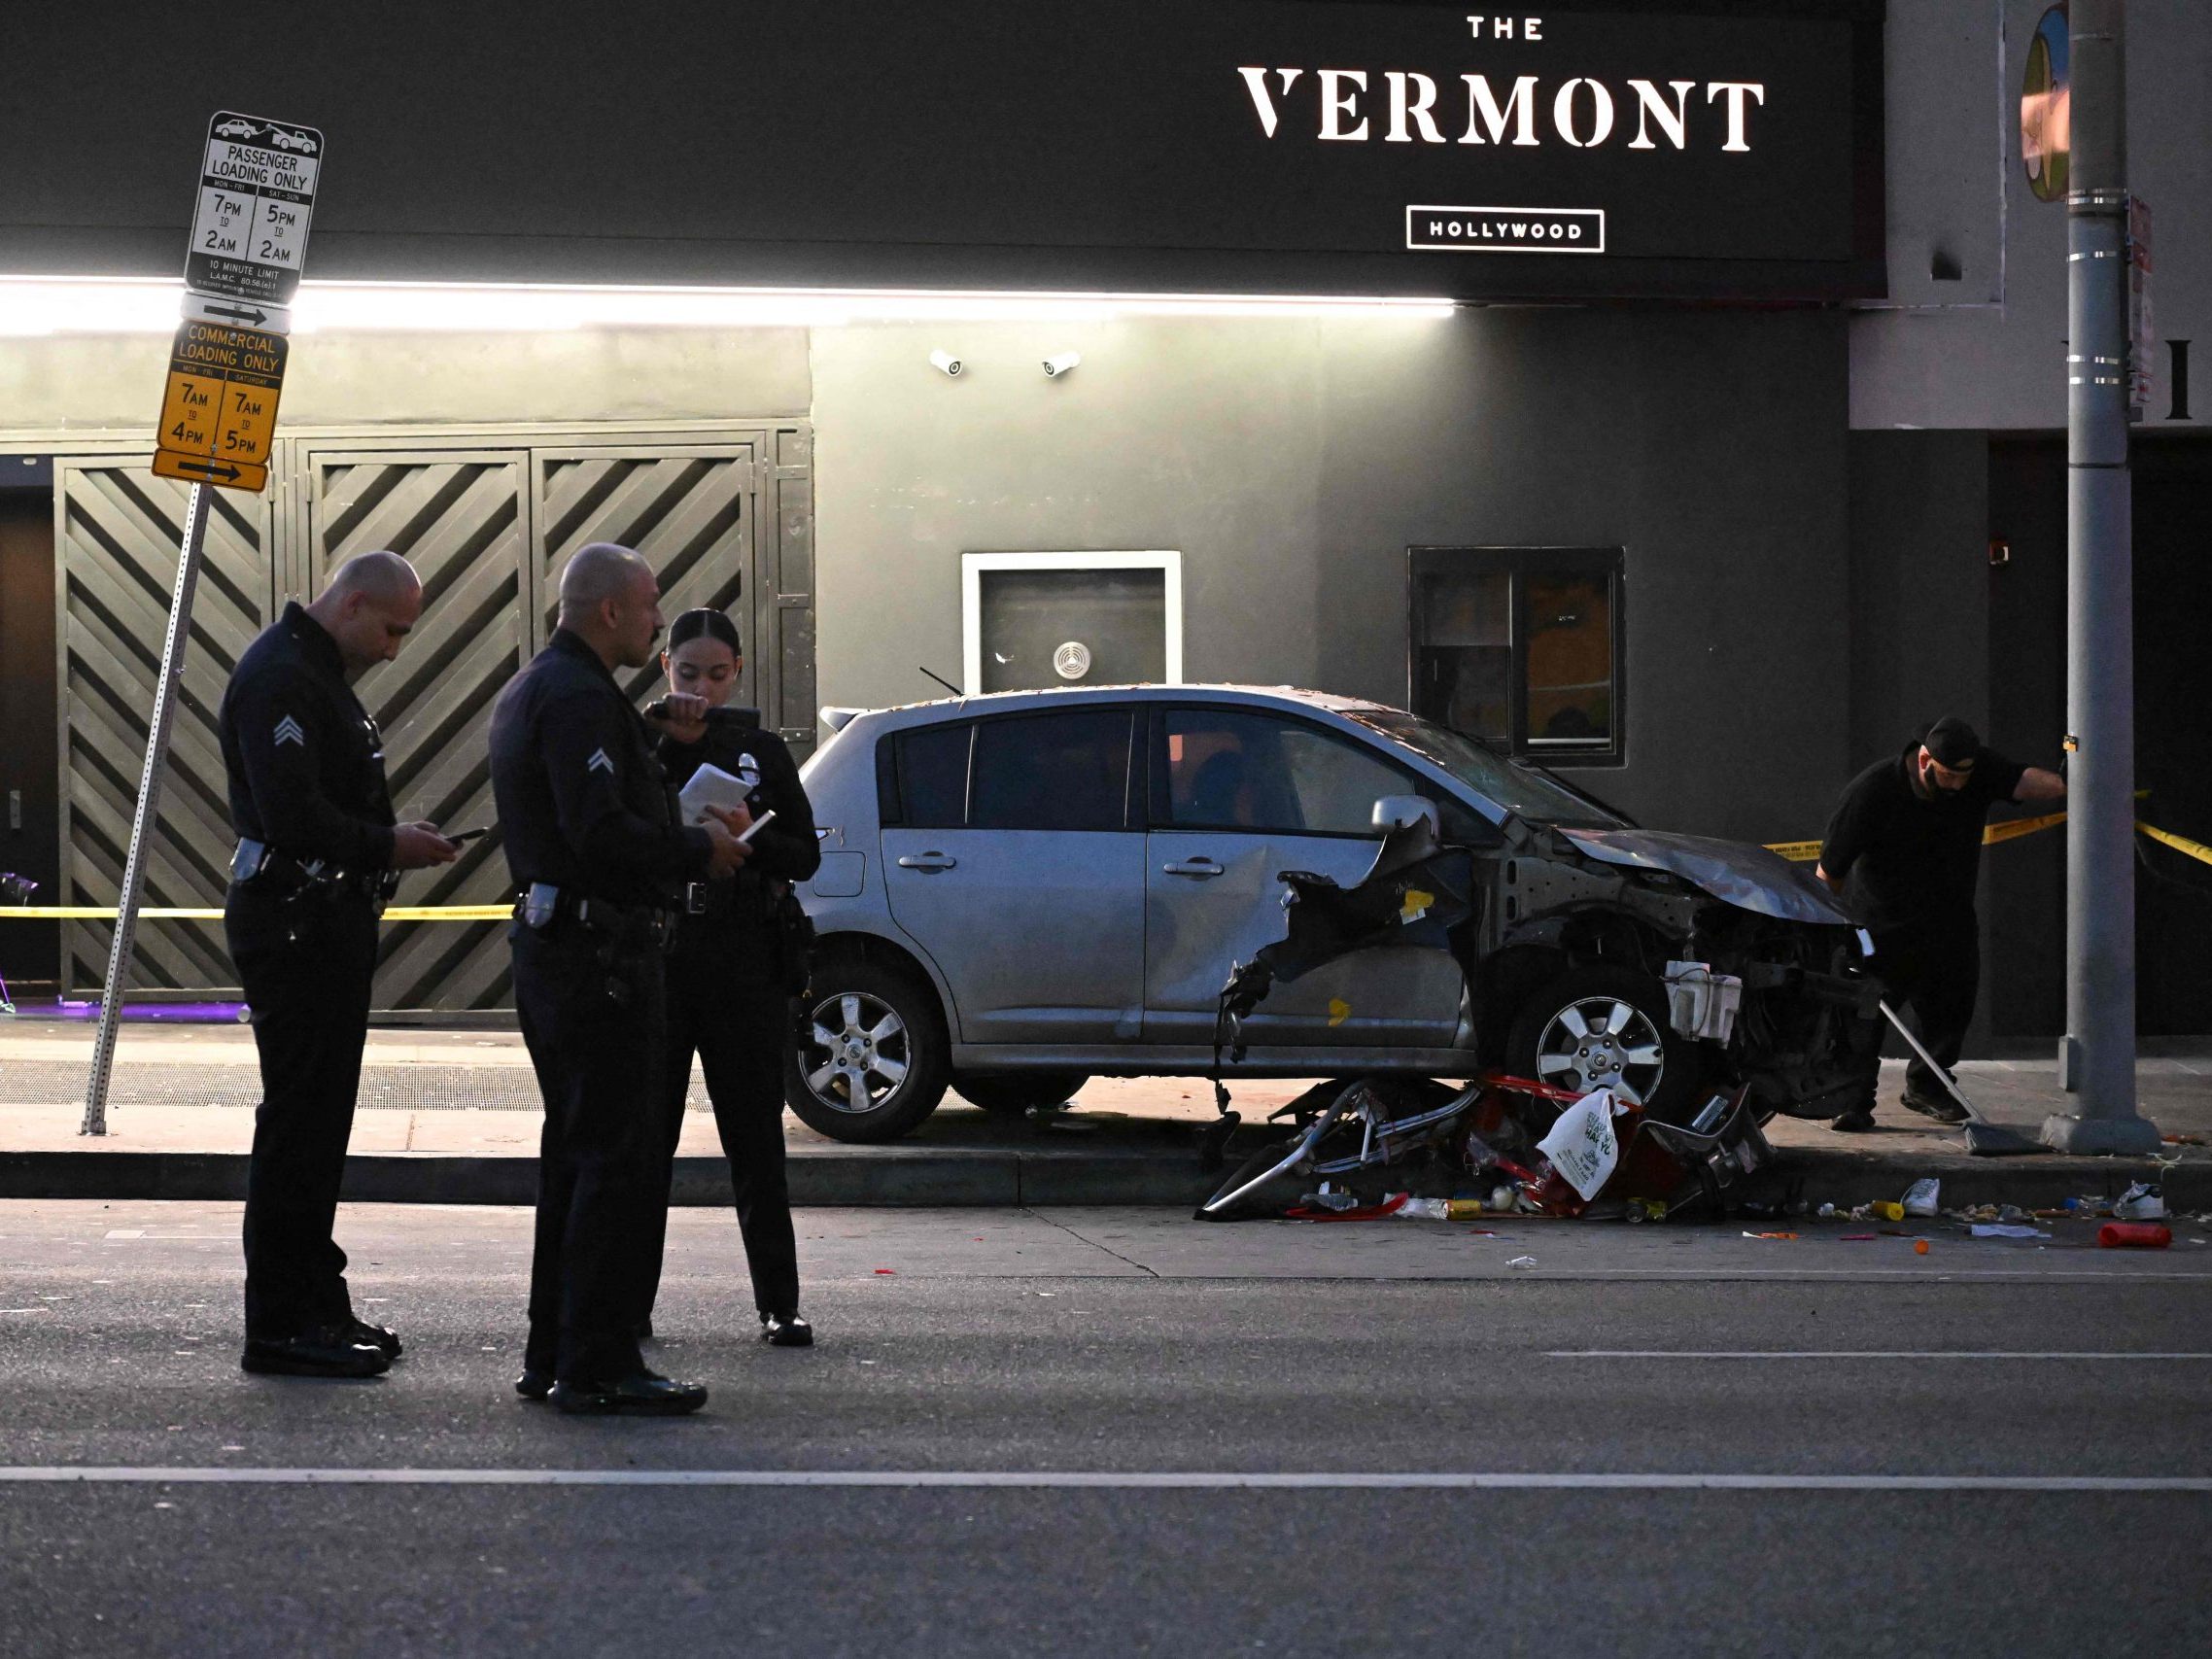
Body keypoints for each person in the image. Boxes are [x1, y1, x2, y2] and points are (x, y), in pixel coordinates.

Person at [488, 544, 751, 1415]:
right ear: (609, 612)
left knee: (574, 1154)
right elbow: (600, 832)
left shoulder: (551, 687)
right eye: (649, 605)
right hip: (597, 958)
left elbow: (586, 789)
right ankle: (598, 1361)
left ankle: (554, 1350)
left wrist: (644, 733)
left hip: (563, 948)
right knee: (612, 1159)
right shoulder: (575, 697)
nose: (656, 618)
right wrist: (697, 845)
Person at [220, 551, 459, 1378]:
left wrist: (386, 841)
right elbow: (291, 812)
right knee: (299, 1124)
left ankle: (317, 1301)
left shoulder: (315, 672)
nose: (396, 648)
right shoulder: (283, 675)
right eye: (392, 628)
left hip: (321, 920)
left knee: (320, 1128)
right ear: (352, 603)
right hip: (295, 920)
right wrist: (388, 842)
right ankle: (281, 1323)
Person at [638, 607, 822, 1348]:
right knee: (647, 1142)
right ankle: (630, 1301)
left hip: (745, 957)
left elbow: (804, 852)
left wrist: (752, 830)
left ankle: (779, 1301)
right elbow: (619, 827)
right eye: (689, 675)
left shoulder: (760, 749)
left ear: (737, 672)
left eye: (717, 676)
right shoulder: (643, 743)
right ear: (665, 670)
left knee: (755, 1140)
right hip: (665, 954)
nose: (703, 692)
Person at [1815, 715, 2066, 1132]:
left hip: (1948, 922)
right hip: (1879, 927)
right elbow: (1831, 868)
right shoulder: (1874, 790)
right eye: (1948, 776)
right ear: (1926, 758)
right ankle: (1853, 1100)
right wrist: (1828, 930)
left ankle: (1926, 1088)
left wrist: (2066, 785)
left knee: (1950, 1009)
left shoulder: (1975, 771)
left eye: (1964, 776)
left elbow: (2020, 780)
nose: (1957, 785)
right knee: (1864, 1019)